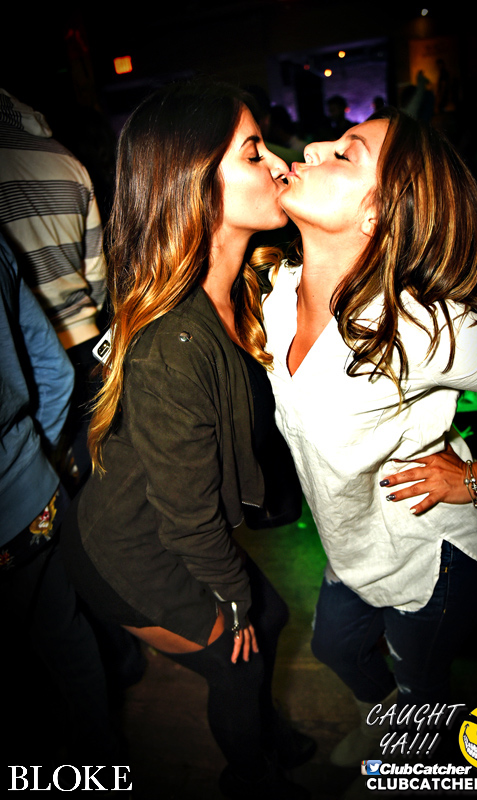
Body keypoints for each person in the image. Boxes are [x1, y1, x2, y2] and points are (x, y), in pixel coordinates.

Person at [262, 106, 477, 775]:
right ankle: (384, 722)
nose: (315, 147)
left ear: (376, 215)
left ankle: (412, 763)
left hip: (433, 556)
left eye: (346, 153)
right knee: (335, 648)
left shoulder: (418, 327)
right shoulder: (280, 290)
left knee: (421, 692)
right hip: (353, 543)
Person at [60, 80, 313, 799]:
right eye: (253, 152)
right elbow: (189, 519)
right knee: (241, 656)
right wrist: (231, 598)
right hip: (128, 553)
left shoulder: (241, 287)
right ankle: (252, 778)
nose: (279, 163)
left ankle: (265, 735)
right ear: (195, 184)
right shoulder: (175, 343)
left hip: (162, 525)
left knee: (272, 617)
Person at [0, 232, 120, 771]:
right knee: (65, 634)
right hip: (33, 496)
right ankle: (100, 764)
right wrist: (35, 456)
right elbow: (52, 367)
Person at [0, 88, 108, 488]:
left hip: (25, 357)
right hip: (86, 340)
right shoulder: (66, 160)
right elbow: (97, 272)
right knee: (100, 472)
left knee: (45, 480)